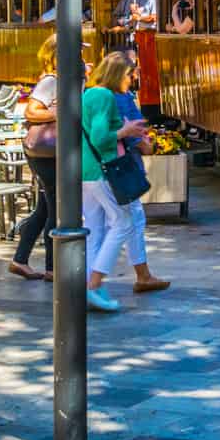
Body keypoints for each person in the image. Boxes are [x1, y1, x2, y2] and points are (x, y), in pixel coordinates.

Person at [79, 51, 170, 311]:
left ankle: (91, 286)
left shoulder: (90, 93)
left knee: (95, 229)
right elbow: (100, 137)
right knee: (122, 222)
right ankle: (94, 284)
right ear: (119, 74)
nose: (132, 80)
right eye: (130, 75)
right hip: (103, 170)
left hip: (88, 172)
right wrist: (126, 131)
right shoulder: (105, 96)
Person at [10, 38, 61, 282]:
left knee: (43, 209)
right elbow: (31, 111)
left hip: (48, 152)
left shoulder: (60, 80)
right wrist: (60, 111)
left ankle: (19, 260)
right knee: (56, 208)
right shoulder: (50, 81)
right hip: (45, 151)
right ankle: (52, 268)